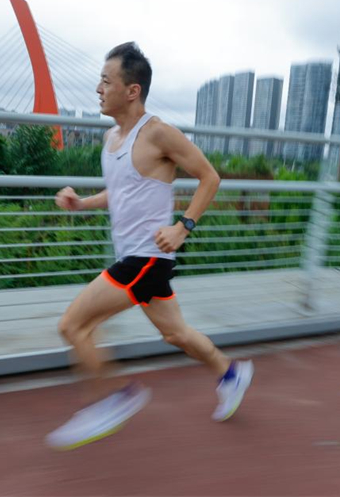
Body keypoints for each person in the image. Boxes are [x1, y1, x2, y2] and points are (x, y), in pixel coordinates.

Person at [47, 42, 253, 450]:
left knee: (73, 326)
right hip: (135, 257)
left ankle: (111, 400)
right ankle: (231, 373)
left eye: (106, 81)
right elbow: (121, 190)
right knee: (175, 334)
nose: (98, 88)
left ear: (132, 90)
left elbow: (209, 177)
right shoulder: (111, 138)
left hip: (148, 257)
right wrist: (83, 203)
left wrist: (183, 227)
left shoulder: (158, 133)